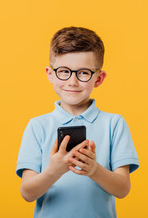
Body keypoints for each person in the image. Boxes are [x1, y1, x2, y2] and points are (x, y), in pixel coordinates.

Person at [16, 26, 139, 218]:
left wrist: (94, 169)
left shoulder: (114, 124)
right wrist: (53, 171)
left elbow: (123, 189)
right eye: (64, 71)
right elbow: (28, 193)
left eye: (83, 73)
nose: (72, 81)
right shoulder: (37, 126)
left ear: (99, 78)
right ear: (50, 74)